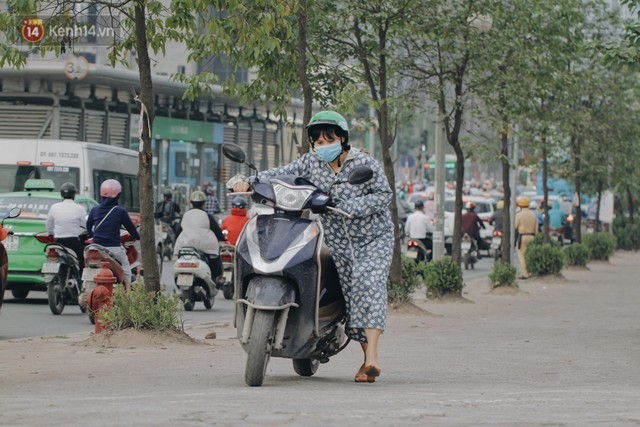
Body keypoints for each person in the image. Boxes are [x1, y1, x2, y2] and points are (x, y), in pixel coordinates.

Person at [229, 110, 393, 383]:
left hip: (372, 238)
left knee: (369, 284)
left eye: (329, 139)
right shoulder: (310, 163)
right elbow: (279, 174)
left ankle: (372, 358)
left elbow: (384, 194)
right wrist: (245, 181)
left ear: (342, 139)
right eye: (318, 142)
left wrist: (346, 205)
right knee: (353, 297)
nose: (323, 146)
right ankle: (364, 362)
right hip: (339, 241)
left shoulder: (364, 163)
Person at [86, 179, 140, 292]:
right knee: (126, 266)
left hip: (95, 247)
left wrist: (93, 237)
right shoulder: (120, 211)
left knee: (88, 265)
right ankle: (127, 294)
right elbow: (131, 228)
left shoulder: (95, 210)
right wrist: (138, 236)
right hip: (113, 248)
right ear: (117, 195)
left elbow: (88, 225)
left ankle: (84, 285)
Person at [174, 190, 227, 282]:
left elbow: (178, 231)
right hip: (205, 246)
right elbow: (217, 231)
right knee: (215, 260)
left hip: (185, 245)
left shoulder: (185, 215)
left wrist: (176, 242)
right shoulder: (207, 216)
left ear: (190, 203)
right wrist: (222, 238)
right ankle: (214, 279)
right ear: (204, 203)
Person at [46, 182, 87, 275]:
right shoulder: (80, 208)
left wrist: (51, 233)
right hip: (73, 242)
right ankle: (80, 280)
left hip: (58, 242)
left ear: (61, 194)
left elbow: (49, 224)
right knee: (82, 259)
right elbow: (85, 225)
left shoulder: (54, 207)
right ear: (74, 194)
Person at [514, 196, 538, 279]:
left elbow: (515, 226)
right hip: (532, 236)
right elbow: (536, 229)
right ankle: (530, 272)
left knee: (522, 255)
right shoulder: (533, 215)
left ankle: (524, 273)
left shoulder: (519, 215)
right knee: (529, 255)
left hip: (522, 237)